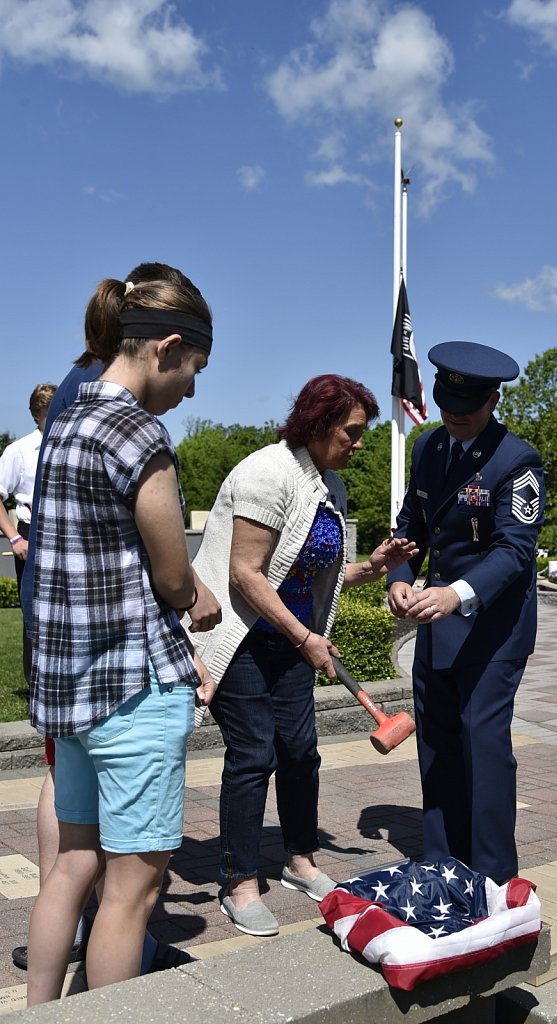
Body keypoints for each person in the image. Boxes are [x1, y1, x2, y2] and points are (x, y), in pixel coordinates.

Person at [26, 272, 222, 1005]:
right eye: (194, 370)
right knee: (131, 894)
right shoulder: (139, 432)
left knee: (71, 869)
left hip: (71, 693)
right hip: (132, 693)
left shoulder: (66, 423)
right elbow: (174, 576)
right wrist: (197, 597)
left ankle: (39, 1014)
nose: (192, 391)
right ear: (167, 347)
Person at [190, 374, 417, 937]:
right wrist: (305, 637)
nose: (360, 442)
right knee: (254, 754)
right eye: (353, 431)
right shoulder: (268, 472)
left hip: (290, 639)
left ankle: (299, 861)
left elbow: (318, 572)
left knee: (300, 752)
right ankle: (239, 882)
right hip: (240, 636)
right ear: (318, 424)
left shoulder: (329, 484)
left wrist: (373, 567)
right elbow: (245, 573)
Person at [387, 341, 545, 885]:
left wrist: (456, 593)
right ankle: (442, 862)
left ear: (493, 399)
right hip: (436, 626)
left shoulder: (516, 460)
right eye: (445, 405)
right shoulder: (429, 448)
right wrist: (399, 578)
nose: (452, 417)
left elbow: (513, 551)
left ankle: (496, 878)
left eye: (465, 409)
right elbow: (411, 529)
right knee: (437, 746)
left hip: (491, 631)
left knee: (483, 746)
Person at [0, 383, 57, 681]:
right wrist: (14, 538)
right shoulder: (18, 451)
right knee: (34, 614)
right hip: (30, 533)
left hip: (62, 533)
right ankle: (35, 683)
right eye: (50, 413)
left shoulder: (67, 445)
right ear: (37, 415)